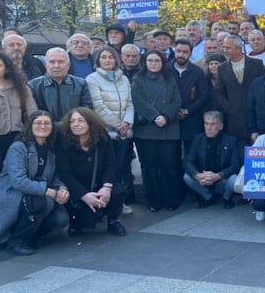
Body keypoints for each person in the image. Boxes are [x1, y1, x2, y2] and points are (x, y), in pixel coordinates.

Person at [0, 111, 70, 255]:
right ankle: (16, 242)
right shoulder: (19, 147)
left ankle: (30, 235)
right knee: (43, 202)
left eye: (47, 123)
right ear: (30, 125)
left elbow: (53, 176)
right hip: (12, 194)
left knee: (61, 219)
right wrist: (48, 191)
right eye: (38, 123)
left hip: (34, 195)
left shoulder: (50, 149)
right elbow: (18, 181)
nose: (43, 126)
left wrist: (62, 187)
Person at [56, 108, 127, 236]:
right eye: (72, 121)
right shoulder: (64, 142)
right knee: (82, 214)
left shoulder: (103, 138)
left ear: (90, 123)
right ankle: (75, 223)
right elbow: (65, 173)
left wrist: (106, 187)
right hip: (77, 185)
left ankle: (113, 221)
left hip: (99, 181)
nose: (75, 124)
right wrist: (84, 195)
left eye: (80, 121)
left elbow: (110, 164)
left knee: (117, 190)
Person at [85, 46, 136, 210]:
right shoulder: (92, 78)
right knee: (106, 168)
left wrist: (126, 123)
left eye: (111, 57)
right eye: (104, 57)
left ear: (116, 59)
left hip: (123, 133)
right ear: (98, 60)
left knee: (120, 167)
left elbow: (129, 103)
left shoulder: (124, 79)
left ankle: (118, 202)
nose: (107, 60)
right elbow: (98, 107)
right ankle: (102, 202)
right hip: (105, 133)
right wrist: (117, 124)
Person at [132, 50, 183, 212]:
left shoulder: (170, 80)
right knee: (149, 166)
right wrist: (154, 116)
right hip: (146, 130)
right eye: (150, 60)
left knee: (169, 165)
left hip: (168, 129)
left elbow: (177, 101)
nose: (153, 63)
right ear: (145, 62)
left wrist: (166, 116)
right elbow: (137, 100)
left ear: (162, 63)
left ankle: (171, 198)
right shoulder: (138, 79)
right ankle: (153, 199)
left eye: (157, 61)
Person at [0, 50, 37, 184]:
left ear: (6, 68)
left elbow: (32, 113)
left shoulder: (21, 88)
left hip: (17, 139)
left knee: (14, 178)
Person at [215, 34, 265, 148]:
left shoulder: (257, 64)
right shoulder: (222, 68)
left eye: (228, 47)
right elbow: (219, 92)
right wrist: (228, 108)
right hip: (234, 121)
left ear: (239, 48)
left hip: (256, 119)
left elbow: (263, 88)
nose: (225, 50)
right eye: (224, 47)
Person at [183, 110, 240, 210]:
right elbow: (188, 161)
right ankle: (208, 197)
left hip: (222, 180)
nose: (209, 128)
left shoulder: (230, 140)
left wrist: (218, 175)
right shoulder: (198, 138)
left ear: (221, 126)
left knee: (234, 179)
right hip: (203, 179)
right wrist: (197, 175)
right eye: (206, 124)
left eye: (213, 124)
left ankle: (227, 198)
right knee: (187, 176)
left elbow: (235, 165)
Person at [29, 47, 92, 122]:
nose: (56, 66)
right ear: (46, 65)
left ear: (68, 65)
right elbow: (34, 114)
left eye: (61, 62)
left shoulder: (81, 84)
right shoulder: (33, 85)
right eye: (52, 62)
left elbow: (86, 111)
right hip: (46, 128)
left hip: (73, 127)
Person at [172, 38, 212, 153]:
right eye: (178, 51)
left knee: (191, 155)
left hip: (191, 120)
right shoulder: (166, 70)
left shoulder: (197, 72)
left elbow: (204, 96)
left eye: (185, 52)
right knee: (171, 158)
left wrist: (187, 111)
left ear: (190, 53)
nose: (181, 54)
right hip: (170, 121)